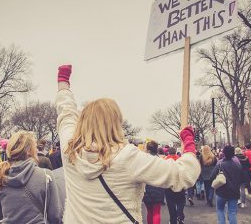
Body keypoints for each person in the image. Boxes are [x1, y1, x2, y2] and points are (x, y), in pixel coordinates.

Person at [55, 64, 200, 223]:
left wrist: (63, 83)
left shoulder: (70, 150)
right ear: (116, 123)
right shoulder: (127, 157)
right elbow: (183, 174)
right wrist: (188, 141)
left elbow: (66, 112)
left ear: (82, 121)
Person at [0, 131, 63, 223]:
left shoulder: (1, 175)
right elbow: (55, 215)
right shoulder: (45, 175)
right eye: (35, 147)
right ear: (29, 151)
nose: (36, 150)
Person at [210, 146, 242, 224]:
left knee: (220, 210)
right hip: (234, 192)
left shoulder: (220, 164)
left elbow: (211, 177)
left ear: (223, 153)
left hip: (221, 192)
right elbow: (242, 179)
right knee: (232, 212)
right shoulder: (238, 165)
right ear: (233, 153)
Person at [143, 141, 165, 224]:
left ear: (148, 150)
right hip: (158, 187)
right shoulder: (161, 161)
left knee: (149, 212)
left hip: (147, 188)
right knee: (156, 213)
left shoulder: (144, 162)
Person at [164, 147, 187, 224]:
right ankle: (180, 216)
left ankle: (173, 220)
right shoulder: (180, 160)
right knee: (181, 201)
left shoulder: (165, 161)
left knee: (171, 204)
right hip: (180, 184)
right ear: (175, 152)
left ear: (168, 153)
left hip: (169, 186)